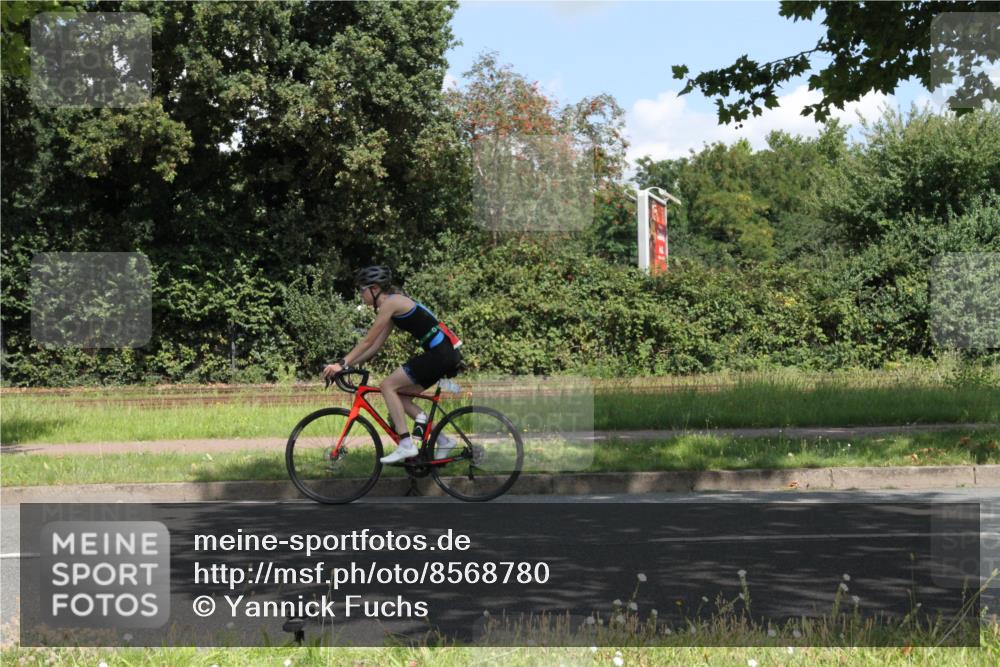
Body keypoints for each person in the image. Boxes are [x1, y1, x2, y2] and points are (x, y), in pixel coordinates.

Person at [321, 265, 463, 463]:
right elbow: (375, 346)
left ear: (375, 288)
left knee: (387, 385)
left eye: (362, 290)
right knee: (402, 398)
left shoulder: (391, 303)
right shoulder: (392, 306)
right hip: (444, 354)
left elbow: (367, 341)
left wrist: (341, 362)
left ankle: (406, 444)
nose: (361, 295)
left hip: (441, 354)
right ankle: (443, 440)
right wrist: (347, 366)